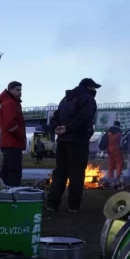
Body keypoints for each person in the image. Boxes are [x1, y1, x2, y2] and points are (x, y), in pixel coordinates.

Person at [46, 78, 99, 213]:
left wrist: (57, 127)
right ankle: (74, 206)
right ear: (88, 87)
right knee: (76, 174)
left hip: (62, 141)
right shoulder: (87, 99)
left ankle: (52, 204)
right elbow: (85, 118)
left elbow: (55, 117)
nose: (95, 91)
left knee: (60, 172)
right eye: (94, 88)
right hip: (78, 141)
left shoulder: (65, 100)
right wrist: (68, 128)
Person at [0, 81, 26, 186]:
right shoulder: (10, 103)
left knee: (7, 171)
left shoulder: (10, 103)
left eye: (20, 90)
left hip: (9, 143)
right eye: (17, 90)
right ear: (10, 89)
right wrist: (21, 135)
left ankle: (6, 193)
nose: (20, 92)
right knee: (14, 172)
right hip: (13, 143)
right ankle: (13, 195)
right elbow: (10, 124)